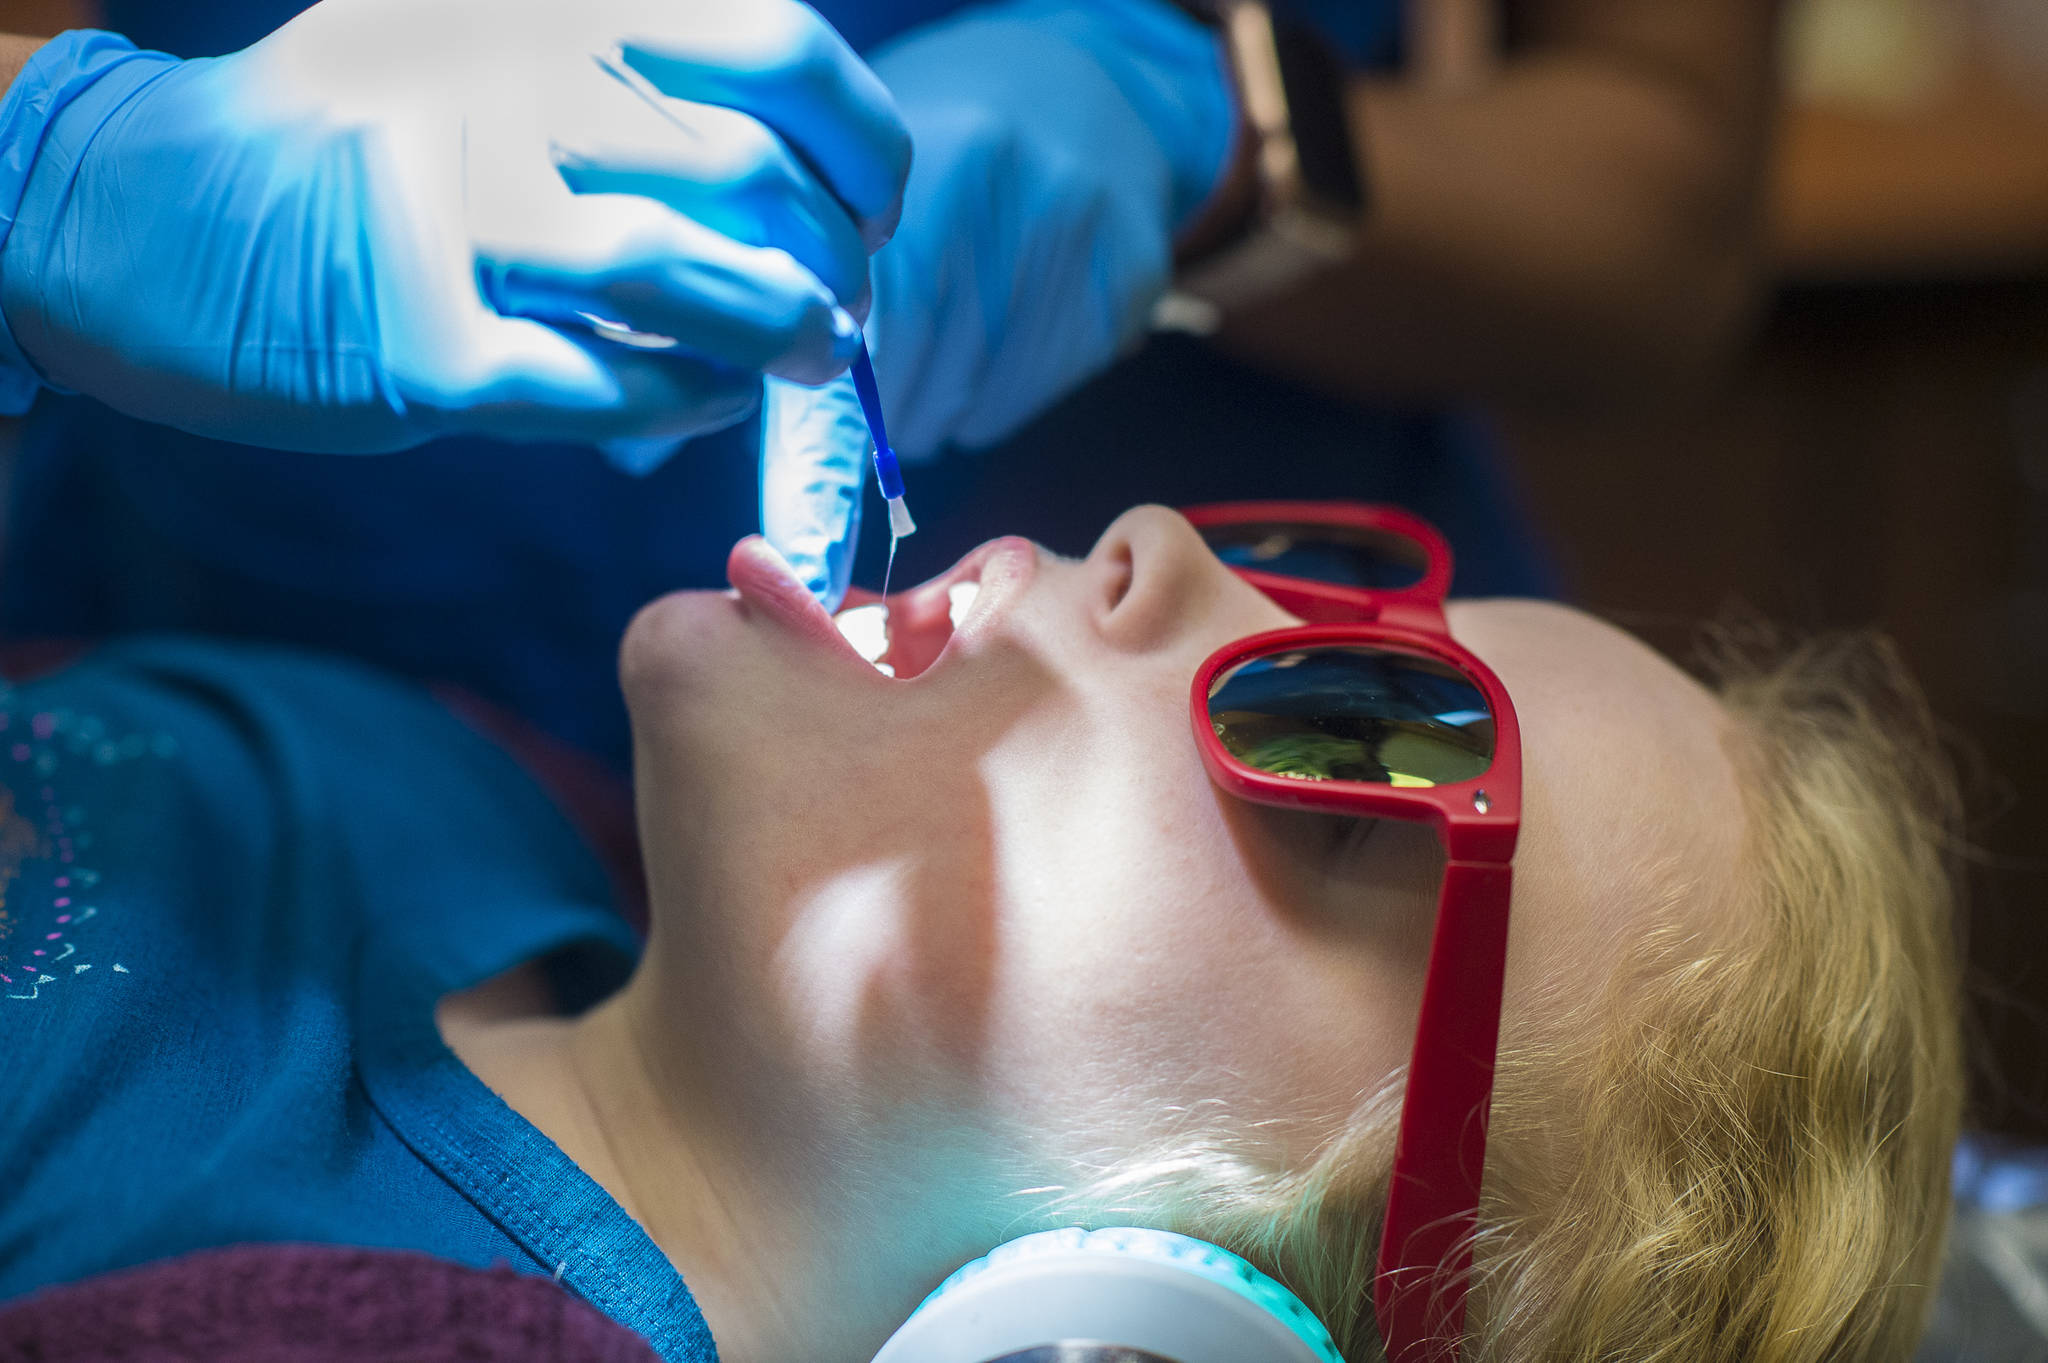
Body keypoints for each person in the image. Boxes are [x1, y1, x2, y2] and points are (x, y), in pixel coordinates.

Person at [0, 504, 1964, 1362]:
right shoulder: (470, 790)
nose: (1165, 545)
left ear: (1197, 1329)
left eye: (1350, 739)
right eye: (1315, 580)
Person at [0, 0, 1779, 766]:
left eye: (1313, 772)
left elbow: (1666, 222)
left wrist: (1214, 144)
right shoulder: (264, 853)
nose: (1145, 555)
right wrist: (65, 180)